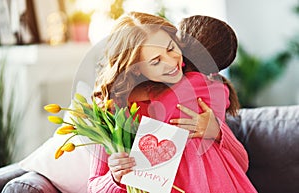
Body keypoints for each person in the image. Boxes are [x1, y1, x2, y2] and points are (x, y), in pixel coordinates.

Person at [88, 12, 257, 193]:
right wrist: (114, 175)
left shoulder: (197, 93)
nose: (171, 63)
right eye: (156, 61)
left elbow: (241, 162)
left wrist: (216, 131)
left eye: (170, 48)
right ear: (136, 69)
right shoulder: (114, 110)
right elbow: (94, 187)